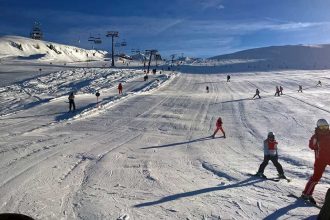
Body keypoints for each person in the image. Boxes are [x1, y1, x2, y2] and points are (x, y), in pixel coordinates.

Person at [302, 119, 330, 204]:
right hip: (320, 160)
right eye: (322, 127)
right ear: (318, 128)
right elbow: (311, 146)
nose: (324, 129)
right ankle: (306, 194)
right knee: (316, 177)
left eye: (326, 126)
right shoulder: (316, 136)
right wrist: (316, 144)